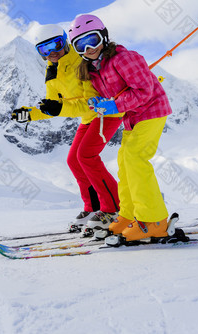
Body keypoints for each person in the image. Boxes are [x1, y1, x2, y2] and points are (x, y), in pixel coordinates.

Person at [68, 14, 172, 241]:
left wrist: (114, 104)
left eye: (92, 40)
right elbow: (114, 96)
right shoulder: (94, 69)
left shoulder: (124, 59)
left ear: (103, 37)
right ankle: (128, 215)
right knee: (124, 163)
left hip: (152, 111)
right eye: (81, 45)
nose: (89, 48)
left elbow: (144, 91)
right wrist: (99, 103)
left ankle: (154, 220)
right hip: (132, 117)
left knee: (135, 159)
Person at [12, 24, 123, 228]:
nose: (52, 53)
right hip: (88, 118)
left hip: (105, 113)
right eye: (44, 50)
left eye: (56, 45)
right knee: (74, 160)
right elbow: (51, 106)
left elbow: (92, 103)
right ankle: (94, 207)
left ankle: (114, 208)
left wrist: (59, 108)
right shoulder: (51, 71)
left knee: (86, 156)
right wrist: (29, 114)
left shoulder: (82, 62)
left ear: (65, 41)